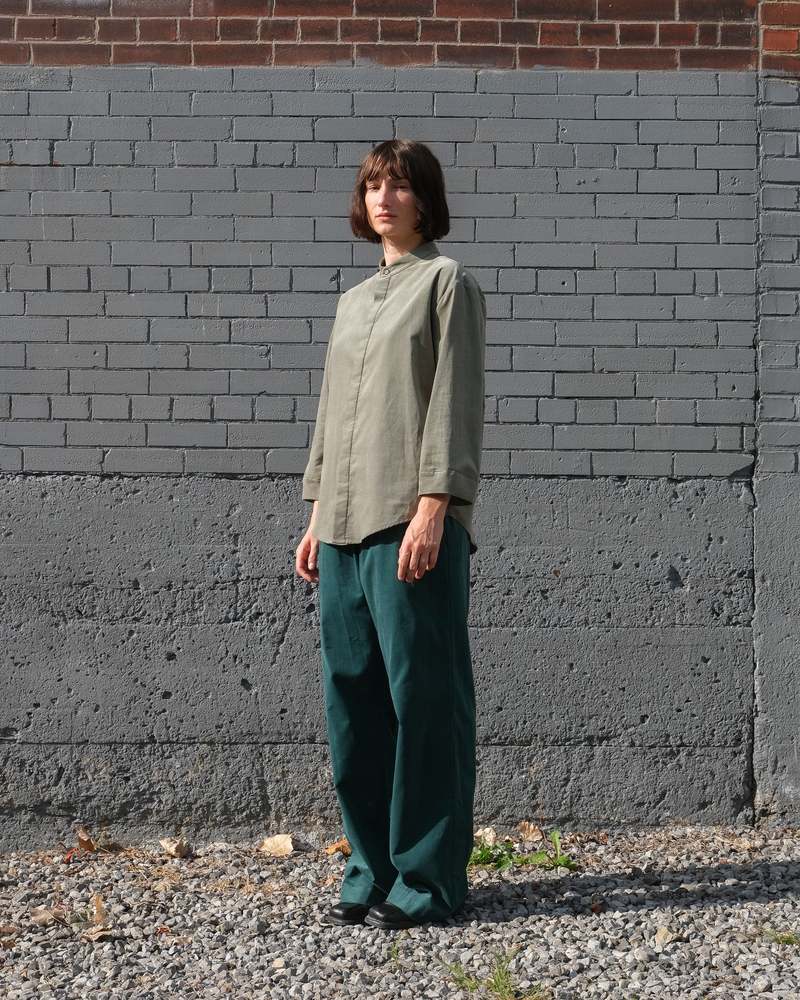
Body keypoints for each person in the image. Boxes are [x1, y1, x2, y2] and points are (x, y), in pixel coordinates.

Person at [294, 138, 487, 931]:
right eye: (374, 185)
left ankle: (428, 879)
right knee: (353, 704)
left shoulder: (447, 284)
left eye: (400, 185)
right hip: (342, 526)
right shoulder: (352, 302)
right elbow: (331, 414)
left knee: (425, 702)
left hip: (409, 524)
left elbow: (454, 400)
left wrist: (437, 506)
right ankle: (370, 867)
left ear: (425, 198)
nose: (384, 198)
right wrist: (316, 513)